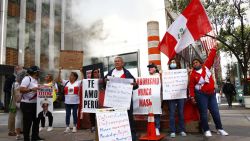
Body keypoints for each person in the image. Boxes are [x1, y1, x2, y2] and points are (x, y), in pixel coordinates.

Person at [189, 46, 229, 137]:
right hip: (201, 95)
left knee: (215, 112)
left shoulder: (206, 67)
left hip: (211, 94)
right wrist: (192, 97)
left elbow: (211, 57)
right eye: (193, 63)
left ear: (200, 63)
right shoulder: (192, 75)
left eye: (196, 62)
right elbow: (191, 87)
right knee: (203, 113)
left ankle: (220, 129)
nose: (195, 64)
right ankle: (206, 130)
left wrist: (214, 48)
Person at [104, 56, 138, 141]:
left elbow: (135, 84)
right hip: (113, 101)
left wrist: (134, 84)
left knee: (129, 118)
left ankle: (132, 137)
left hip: (125, 101)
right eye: (115, 61)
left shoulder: (127, 72)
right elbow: (103, 81)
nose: (116, 63)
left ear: (122, 63)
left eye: (118, 61)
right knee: (115, 118)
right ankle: (115, 136)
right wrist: (104, 81)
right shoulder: (111, 72)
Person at [20, 66, 44, 141]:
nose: (39, 73)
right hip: (27, 104)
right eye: (38, 71)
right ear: (35, 72)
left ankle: (35, 137)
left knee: (36, 121)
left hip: (35, 104)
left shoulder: (36, 80)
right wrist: (31, 89)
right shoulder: (27, 79)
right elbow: (21, 89)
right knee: (27, 123)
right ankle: (26, 138)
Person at [57, 68, 83, 133]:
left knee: (74, 114)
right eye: (70, 75)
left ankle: (74, 127)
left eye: (71, 75)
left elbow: (83, 80)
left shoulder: (78, 82)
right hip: (67, 102)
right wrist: (59, 71)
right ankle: (67, 127)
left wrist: (81, 71)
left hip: (75, 102)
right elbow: (59, 80)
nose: (69, 76)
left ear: (74, 77)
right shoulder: (66, 82)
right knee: (67, 114)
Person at [167, 59, 187, 138]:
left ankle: (182, 130)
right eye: (171, 62)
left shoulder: (181, 72)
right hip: (171, 95)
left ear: (177, 63)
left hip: (180, 95)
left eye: (174, 62)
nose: (172, 64)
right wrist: (162, 74)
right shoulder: (167, 73)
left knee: (181, 112)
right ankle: (172, 131)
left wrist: (187, 73)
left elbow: (185, 82)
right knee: (172, 113)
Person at [147, 63, 161, 136]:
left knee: (157, 113)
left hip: (157, 98)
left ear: (155, 68)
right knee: (150, 113)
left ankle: (157, 128)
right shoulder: (147, 77)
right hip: (149, 98)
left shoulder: (158, 76)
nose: (150, 69)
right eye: (149, 68)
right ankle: (151, 128)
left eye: (152, 67)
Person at [89, 68, 104, 132]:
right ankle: (93, 126)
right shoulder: (89, 81)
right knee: (92, 113)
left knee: (100, 113)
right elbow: (83, 82)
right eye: (94, 72)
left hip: (99, 99)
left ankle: (100, 126)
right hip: (92, 99)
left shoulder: (101, 80)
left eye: (97, 72)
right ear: (92, 74)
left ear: (99, 73)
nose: (96, 73)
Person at [14, 70, 26, 140]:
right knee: (26, 118)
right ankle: (25, 133)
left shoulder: (15, 84)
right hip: (24, 101)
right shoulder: (25, 83)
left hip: (17, 102)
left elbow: (14, 93)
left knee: (18, 118)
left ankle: (18, 134)